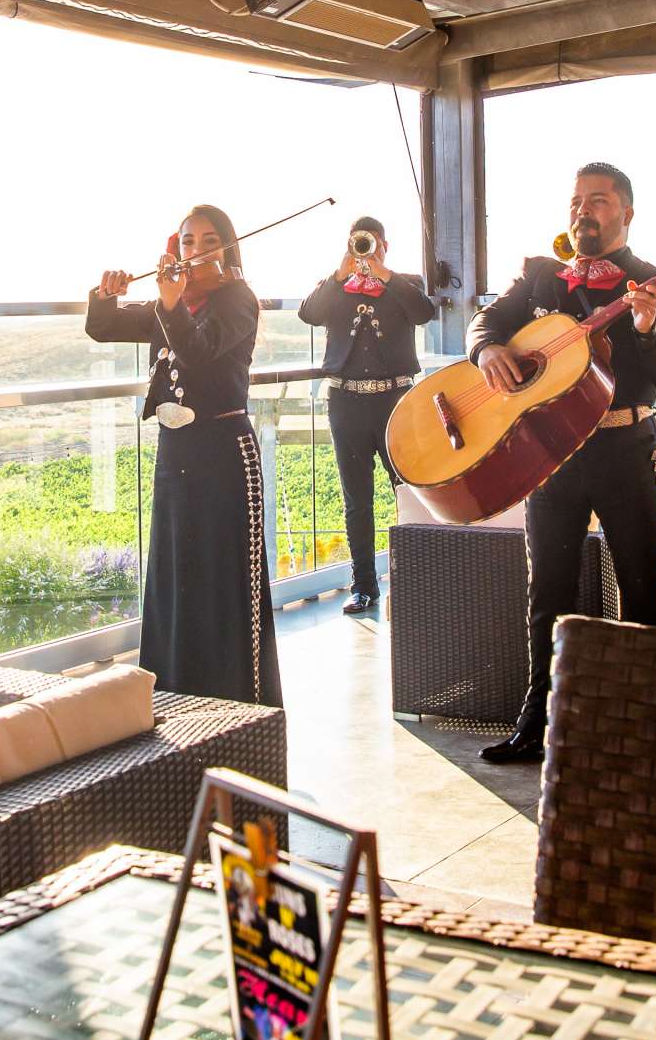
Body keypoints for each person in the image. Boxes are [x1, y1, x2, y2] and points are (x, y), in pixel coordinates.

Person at [467, 163, 656, 764]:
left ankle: (653, 731)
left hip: (627, 450)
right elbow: (485, 319)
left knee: (645, 595)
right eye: (576, 201)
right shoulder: (543, 276)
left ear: (626, 214)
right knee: (548, 594)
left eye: (597, 201)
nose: (582, 211)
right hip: (551, 455)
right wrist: (487, 348)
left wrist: (646, 327)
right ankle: (537, 726)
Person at [86, 205, 283, 706]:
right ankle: (176, 697)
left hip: (223, 452)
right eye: (188, 241)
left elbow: (199, 351)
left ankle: (240, 706)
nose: (196, 251)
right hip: (175, 452)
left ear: (228, 247)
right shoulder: (172, 300)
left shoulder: (239, 298)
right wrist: (105, 295)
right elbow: (103, 328)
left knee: (224, 580)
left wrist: (170, 304)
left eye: (208, 241)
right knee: (175, 576)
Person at [297, 216, 434, 613]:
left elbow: (423, 312)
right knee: (357, 500)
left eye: (372, 243)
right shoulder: (335, 288)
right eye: (359, 243)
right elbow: (308, 313)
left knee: (408, 492)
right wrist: (339, 274)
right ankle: (364, 585)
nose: (365, 251)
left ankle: (416, 579)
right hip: (346, 403)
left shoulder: (404, 283)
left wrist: (383, 273)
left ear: (385, 246)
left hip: (396, 403)